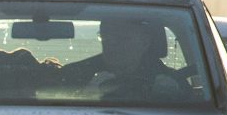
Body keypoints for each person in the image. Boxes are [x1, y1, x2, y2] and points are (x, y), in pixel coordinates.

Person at [60, 16, 188, 101]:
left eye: (121, 38)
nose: (111, 44)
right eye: (106, 37)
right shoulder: (75, 74)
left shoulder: (172, 80)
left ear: (144, 42)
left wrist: (175, 97)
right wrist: (86, 95)